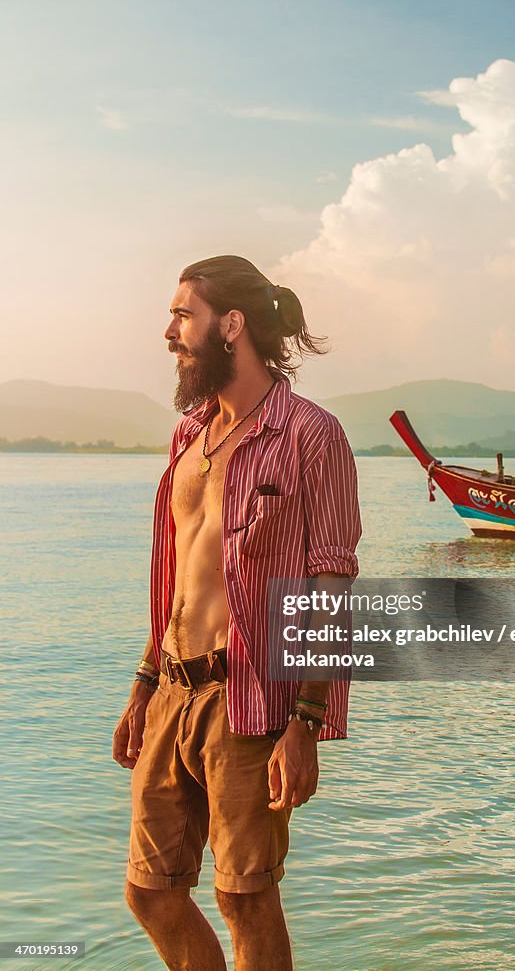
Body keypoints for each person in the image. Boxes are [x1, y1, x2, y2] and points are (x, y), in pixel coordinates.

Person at [112, 255, 361, 971]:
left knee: (245, 900)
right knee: (149, 893)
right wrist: (142, 683)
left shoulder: (312, 435)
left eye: (181, 315)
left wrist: (308, 722)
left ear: (232, 324)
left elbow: (331, 585)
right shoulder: (189, 436)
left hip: (251, 706)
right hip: (171, 695)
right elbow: (177, 576)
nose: (168, 332)